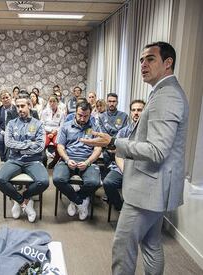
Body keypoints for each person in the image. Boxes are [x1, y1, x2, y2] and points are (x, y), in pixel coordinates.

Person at [81, 42, 189, 274]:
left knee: (123, 248)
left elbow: (157, 151)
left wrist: (112, 142)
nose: (143, 64)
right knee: (151, 245)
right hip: (153, 187)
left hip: (147, 190)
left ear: (168, 63)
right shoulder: (163, 92)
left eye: (150, 59)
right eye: (141, 60)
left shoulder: (167, 96)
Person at [0, 94, 49, 223]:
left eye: (22, 106)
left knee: (44, 182)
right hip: (14, 160)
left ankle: (24, 197)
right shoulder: (11, 124)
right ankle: (22, 202)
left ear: (29, 106)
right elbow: (8, 143)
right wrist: (30, 144)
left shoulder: (38, 124)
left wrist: (19, 147)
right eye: (17, 106)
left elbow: (40, 146)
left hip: (33, 161)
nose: (20, 109)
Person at [52, 101, 102, 220]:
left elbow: (98, 148)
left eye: (86, 116)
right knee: (58, 179)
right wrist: (67, 159)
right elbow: (60, 146)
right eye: (80, 115)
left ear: (90, 114)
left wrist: (88, 162)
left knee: (94, 182)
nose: (83, 118)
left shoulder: (95, 127)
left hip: (87, 160)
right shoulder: (66, 125)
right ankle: (80, 201)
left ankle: (75, 199)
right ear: (75, 113)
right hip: (68, 159)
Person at [103, 99, 145, 211]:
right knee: (108, 183)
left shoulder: (149, 132)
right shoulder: (124, 131)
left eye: (140, 110)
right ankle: (120, 208)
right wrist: (125, 170)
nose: (136, 113)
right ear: (130, 112)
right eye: (133, 110)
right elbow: (118, 154)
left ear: (145, 112)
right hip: (124, 168)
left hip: (141, 170)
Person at [98, 93, 129, 166]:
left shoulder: (124, 116)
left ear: (117, 102)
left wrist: (115, 144)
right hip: (106, 146)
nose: (111, 103)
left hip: (119, 146)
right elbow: (103, 133)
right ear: (107, 102)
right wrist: (109, 145)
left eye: (114, 101)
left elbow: (123, 133)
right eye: (110, 101)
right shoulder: (101, 117)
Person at [40, 95, 64, 166]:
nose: (52, 103)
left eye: (54, 101)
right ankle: (44, 159)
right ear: (48, 102)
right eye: (50, 101)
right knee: (44, 144)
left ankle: (55, 160)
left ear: (57, 102)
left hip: (56, 133)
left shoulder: (61, 113)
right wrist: (50, 131)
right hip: (46, 132)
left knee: (58, 144)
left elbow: (62, 126)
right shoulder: (44, 112)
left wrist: (54, 132)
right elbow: (41, 124)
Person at [0, 91, 15, 161]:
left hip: (14, 132)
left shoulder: (16, 108)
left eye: (7, 97)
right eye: (3, 98)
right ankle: (4, 159)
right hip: (3, 132)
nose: (5, 99)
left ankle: (14, 158)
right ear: (1, 100)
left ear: (11, 98)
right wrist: (2, 132)